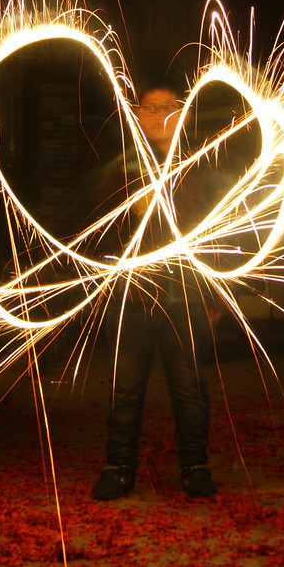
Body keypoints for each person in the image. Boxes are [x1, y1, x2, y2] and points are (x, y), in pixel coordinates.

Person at [90, 86, 220, 500]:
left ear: (182, 112)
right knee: (124, 388)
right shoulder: (120, 169)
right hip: (131, 298)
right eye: (151, 108)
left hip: (186, 296)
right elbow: (95, 229)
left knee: (190, 387)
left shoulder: (200, 164)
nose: (160, 115)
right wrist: (130, 207)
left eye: (169, 108)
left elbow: (217, 230)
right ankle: (119, 465)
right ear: (138, 115)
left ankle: (194, 465)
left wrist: (216, 298)